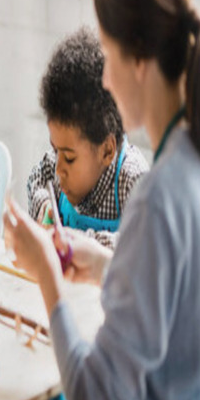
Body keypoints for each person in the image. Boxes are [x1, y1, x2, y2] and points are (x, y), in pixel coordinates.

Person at [5, 0, 200, 400]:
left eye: (110, 54)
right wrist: (107, 264)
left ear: (141, 60)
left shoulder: (155, 196)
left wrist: (48, 277)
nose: (105, 79)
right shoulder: (198, 159)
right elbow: (167, 289)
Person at [27, 26, 148, 250]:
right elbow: (36, 179)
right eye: (56, 151)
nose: (59, 169)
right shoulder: (58, 163)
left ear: (106, 151)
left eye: (70, 158)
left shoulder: (133, 181)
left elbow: (141, 248)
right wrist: (44, 204)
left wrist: (81, 243)